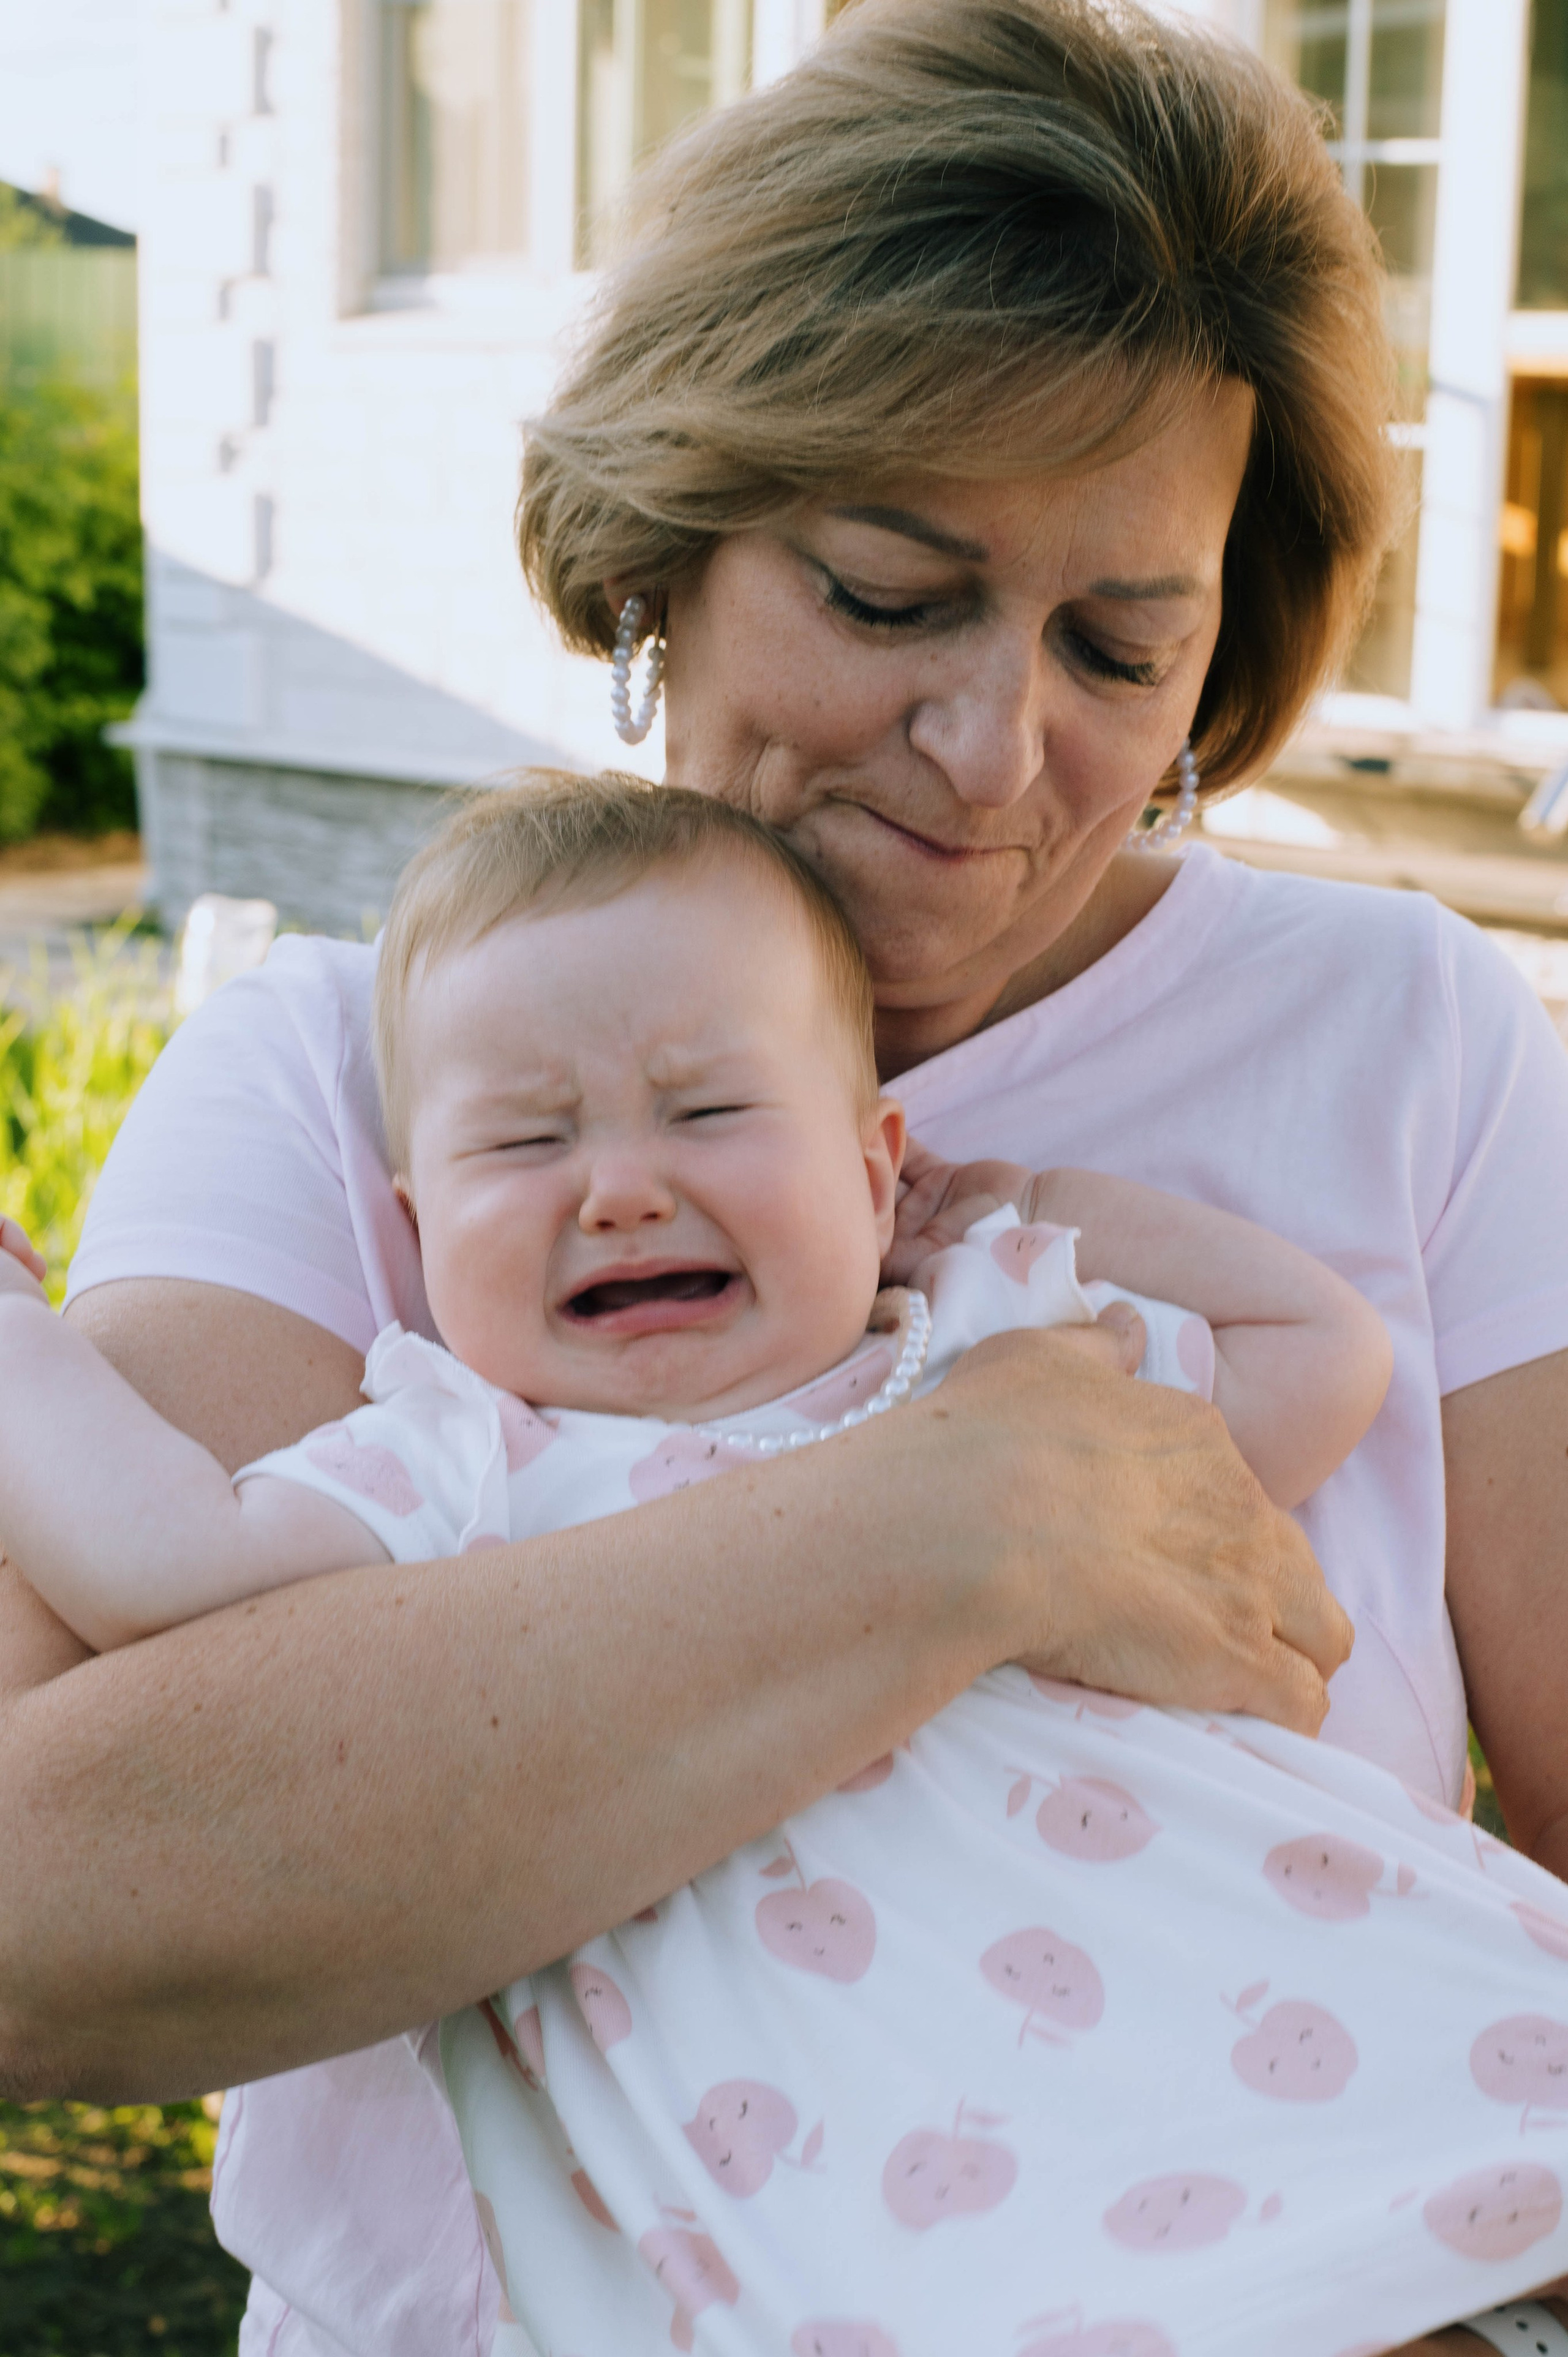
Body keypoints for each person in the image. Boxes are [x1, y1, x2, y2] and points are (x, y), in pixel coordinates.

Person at [2, 4, 1565, 2352]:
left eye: (1123, 648)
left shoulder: (1408, 1041)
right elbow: (46, 1906)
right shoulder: (351, 1079)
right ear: (663, 546)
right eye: (884, 592)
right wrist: (956, 1526)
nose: (994, 752)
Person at [17, 776, 1568, 2355]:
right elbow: (167, 1564)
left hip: (1228, 2051)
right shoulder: (457, 1461)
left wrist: (1022, 1209)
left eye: (705, 1112)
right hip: (834, 2202)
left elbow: (1321, 1359)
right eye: (525, 1141)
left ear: (879, 1170)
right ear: (415, 1231)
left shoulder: (982, 1345)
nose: (619, 1185)